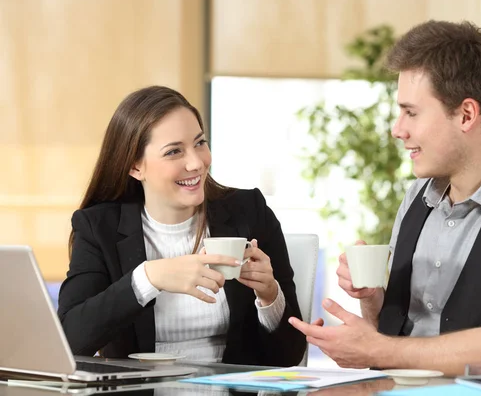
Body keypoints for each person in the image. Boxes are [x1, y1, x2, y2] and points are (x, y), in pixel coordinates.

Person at [289, 20, 481, 374]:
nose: (397, 129)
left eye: (411, 112)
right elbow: (400, 339)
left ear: (467, 114)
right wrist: (376, 302)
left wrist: (378, 350)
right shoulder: (417, 197)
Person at [58, 85, 306, 367]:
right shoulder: (97, 227)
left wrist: (269, 296)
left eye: (200, 143)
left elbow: (290, 356)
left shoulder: (249, 212)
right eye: (174, 151)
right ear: (135, 166)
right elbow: (68, 341)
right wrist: (148, 278)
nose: (197, 163)